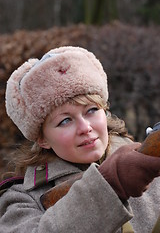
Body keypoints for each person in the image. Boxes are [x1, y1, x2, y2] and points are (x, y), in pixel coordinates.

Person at [0, 46, 160, 233]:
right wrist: (112, 184)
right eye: (65, 121)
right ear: (42, 140)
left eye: (91, 110)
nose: (85, 128)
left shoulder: (147, 161)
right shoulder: (22, 201)